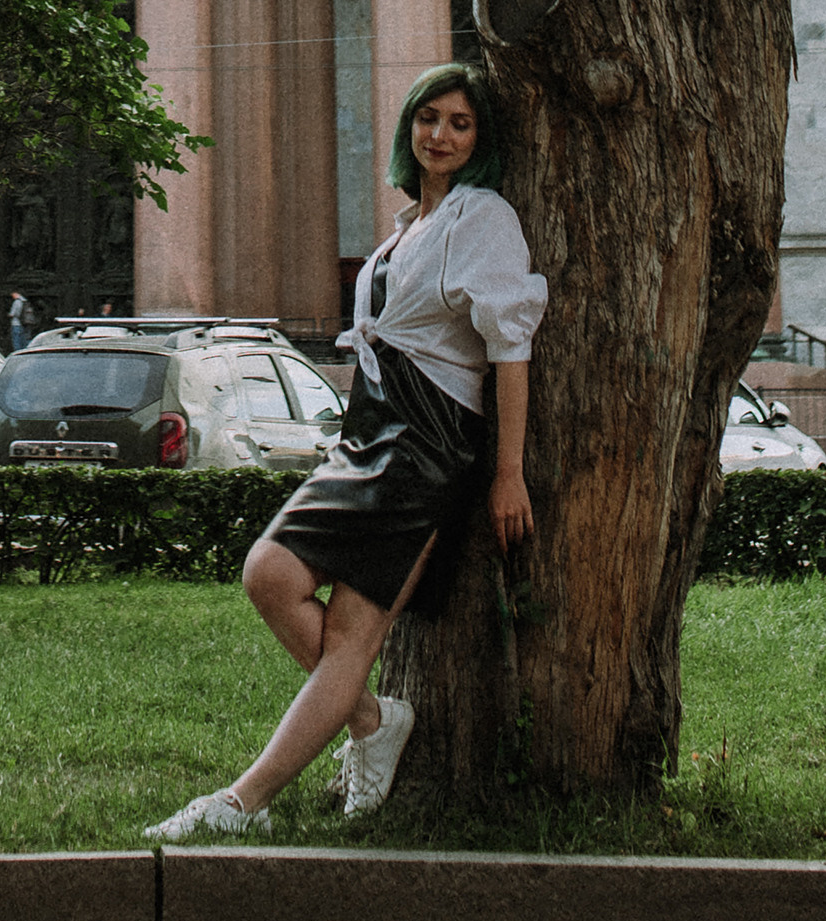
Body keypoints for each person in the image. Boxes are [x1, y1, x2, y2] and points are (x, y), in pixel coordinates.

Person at [145, 61, 545, 845]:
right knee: (269, 572)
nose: (441, 135)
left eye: (461, 123)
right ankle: (372, 718)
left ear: (480, 140)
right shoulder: (405, 227)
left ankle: (241, 802)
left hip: (426, 447)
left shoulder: (483, 216)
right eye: (430, 117)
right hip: (367, 435)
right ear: (409, 126)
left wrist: (507, 472)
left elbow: (511, 347)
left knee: (354, 637)